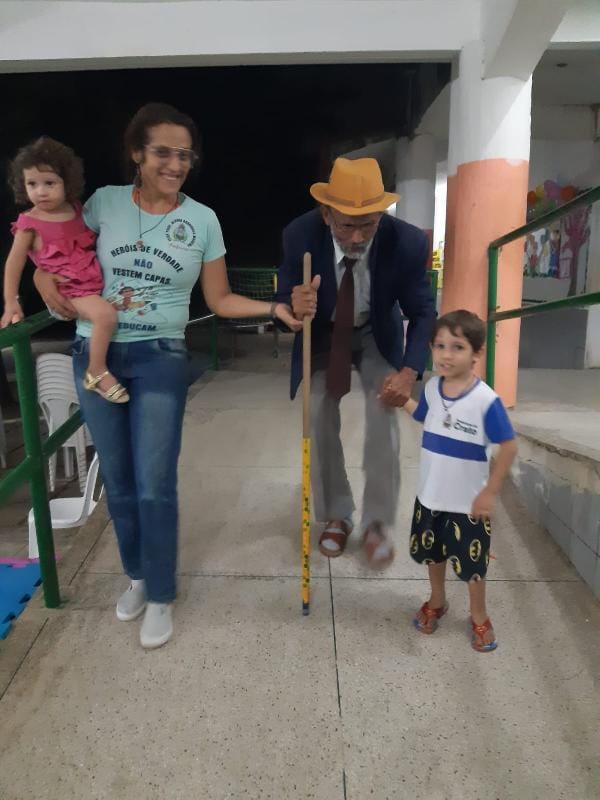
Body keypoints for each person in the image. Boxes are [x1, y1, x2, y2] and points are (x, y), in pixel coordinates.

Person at [34, 102, 299, 649]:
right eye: (163, 152)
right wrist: (41, 281)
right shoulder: (103, 203)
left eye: (184, 155)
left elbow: (219, 300)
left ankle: (160, 594)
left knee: (154, 483)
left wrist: (275, 309)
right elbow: (53, 249)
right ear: (137, 153)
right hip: (96, 354)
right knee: (119, 482)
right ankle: (136, 575)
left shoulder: (202, 220)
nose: (175, 164)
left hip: (160, 357)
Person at [276, 157, 436, 567]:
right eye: (347, 225)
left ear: (382, 215)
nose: (358, 236)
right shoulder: (299, 235)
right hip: (323, 331)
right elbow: (281, 301)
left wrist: (409, 372)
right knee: (317, 410)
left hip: (374, 332)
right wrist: (292, 306)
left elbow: (423, 312)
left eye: (369, 224)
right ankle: (336, 514)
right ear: (326, 213)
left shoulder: (407, 242)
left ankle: (376, 523)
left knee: (384, 409)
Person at [397, 310, 517, 652]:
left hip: (467, 505)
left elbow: (509, 446)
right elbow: (423, 415)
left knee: (472, 566)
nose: (446, 355)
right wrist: (401, 401)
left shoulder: (486, 401)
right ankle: (437, 600)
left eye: (457, 347)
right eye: (439, 346)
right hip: (430, 497)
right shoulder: (432, 388)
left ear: (477, 353)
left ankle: (479, 615)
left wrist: (490, 492)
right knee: (433, 555)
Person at [2, 137, 128, 403]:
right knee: (105, 316)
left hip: (91, 283)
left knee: (112, 312)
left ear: (67, 183)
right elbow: (14, 263)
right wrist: (11, 302)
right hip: (67, 289)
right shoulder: (29, 223)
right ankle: (96, 372)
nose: (41, 191)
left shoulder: (76, 210)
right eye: (32, 184)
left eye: (50, 183)